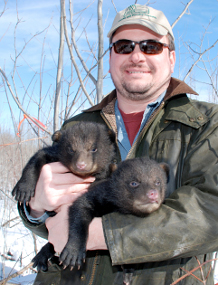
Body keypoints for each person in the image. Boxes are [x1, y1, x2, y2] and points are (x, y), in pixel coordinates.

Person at [18, 4, 218, 285]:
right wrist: (36, 209)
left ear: (171, 58)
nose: (136, 55)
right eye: (123, 46)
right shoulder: (77, 127)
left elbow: (211, 210)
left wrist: (100, 233)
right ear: (110, 57)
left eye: (151, 46)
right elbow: (54, 224)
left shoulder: (208, 123)